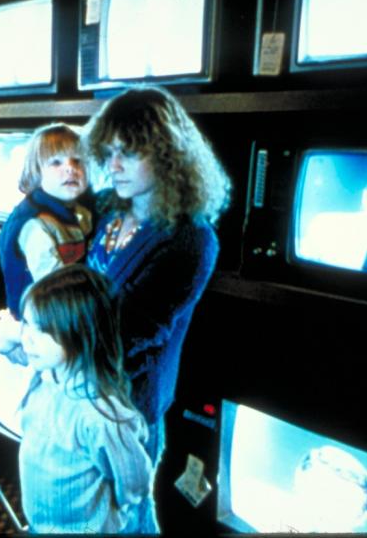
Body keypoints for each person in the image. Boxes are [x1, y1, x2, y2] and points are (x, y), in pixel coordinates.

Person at [83, 85, 231, 467]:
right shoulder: (111, 209)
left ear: (169, 157)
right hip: (86, 390)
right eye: (110, 153)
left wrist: (39, 331)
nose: (113, 166)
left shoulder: (191, 239)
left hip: (128, 410)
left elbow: (125, 332)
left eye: (128, 154)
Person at [15, 264, 156, 534]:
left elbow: (135, 480)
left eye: (41, 330)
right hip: (43, 525)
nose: (26, 339)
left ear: (80, 333)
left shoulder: (98, 413)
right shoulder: (44, 377)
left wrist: (115, 515)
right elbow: (12, 345)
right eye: (25, 323)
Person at [0, 123, 93, 363]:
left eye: (77, 161)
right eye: (56, 163)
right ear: (36, 172)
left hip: (59, 323)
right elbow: (55, 288)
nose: (70, 169)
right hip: (36, 334)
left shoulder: (79, 212)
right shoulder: (35, 225)